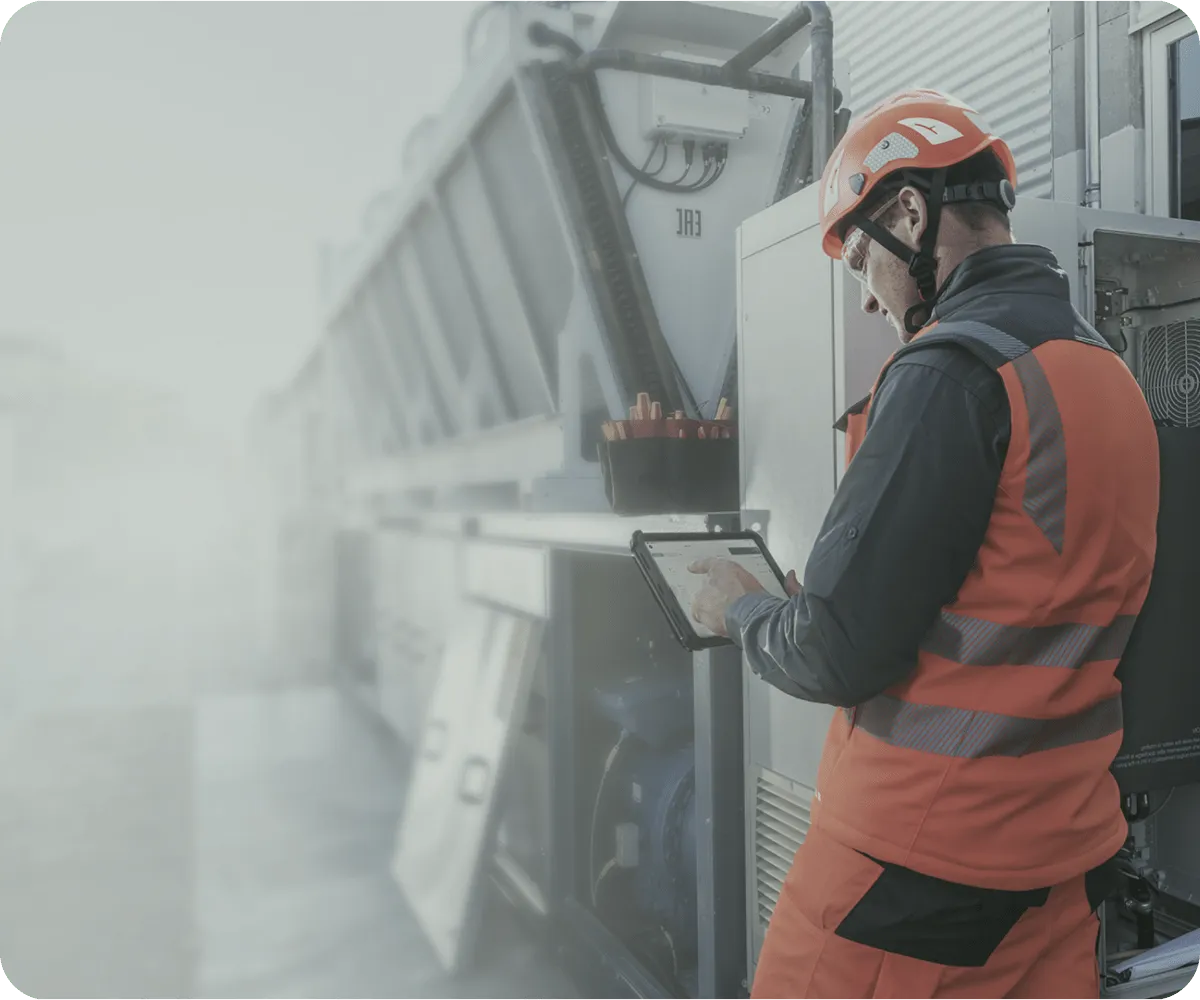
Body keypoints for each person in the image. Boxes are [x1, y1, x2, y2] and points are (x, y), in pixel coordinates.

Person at [688, 90, 1161, 999]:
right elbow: (1024, 602)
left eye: (860, 257)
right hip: (1060, 875)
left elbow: (832, 654)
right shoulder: (1108, 373)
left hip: (909, 886)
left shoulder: (951, 371)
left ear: (910, 212)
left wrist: (740, 606)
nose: (867, 300)